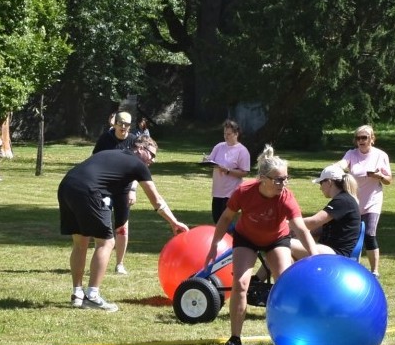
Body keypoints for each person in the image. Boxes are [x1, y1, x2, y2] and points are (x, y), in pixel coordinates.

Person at [205, 145, 318, 345]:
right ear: (262, 179)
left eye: (286, 178)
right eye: (278, 179)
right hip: (246, 238)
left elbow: (300, 229)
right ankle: (235, 339)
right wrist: (214, 245)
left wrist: (316, 256)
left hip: (277, 239)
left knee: (284, 282)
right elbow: (226, 218)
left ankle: (287, 334)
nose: (283, 184)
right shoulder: (244, 191)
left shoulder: (286, 197)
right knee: (240, 284)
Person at [59, 136, 188, 312]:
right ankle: (92, 296)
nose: (153, 160)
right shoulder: (137, 165)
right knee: (106, 242)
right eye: (151, 154)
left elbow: (118, 191)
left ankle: (77, 294)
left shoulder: (113, 154)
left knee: (80, 243)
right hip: (89, 190)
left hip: (67, 186)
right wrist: (174, 222)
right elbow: (156, 200)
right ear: (140, 149)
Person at [339, 125, 392, 277]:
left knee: (369, 233)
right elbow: (342, 164)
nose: (361, 141)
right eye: (358, 138)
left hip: (373, 200)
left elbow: (388, 180)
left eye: (364, 138)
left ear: (372, 139)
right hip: (354, 200)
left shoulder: (380, 155)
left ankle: (374, 271)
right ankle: (352, 265)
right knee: (352, 234)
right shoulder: (351, 154)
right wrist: (335, 168)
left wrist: (379, 176)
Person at [92, 111, 138, 275]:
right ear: (115, 123)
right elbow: (95, 162)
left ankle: (119, 264)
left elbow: (136, 169)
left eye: (127, 124)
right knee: (103, 224)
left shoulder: (133, 141)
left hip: (124, 190)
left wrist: (132, 190)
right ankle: (100, 257)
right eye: (121, 124)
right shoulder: (105, 139)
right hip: (105, 189)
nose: (124, 127)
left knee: (122, 227)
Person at [291, 165, 362, 259]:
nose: (320, 188)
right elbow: (321, 228)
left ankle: (266, 274)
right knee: (282, 248)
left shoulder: (342, 201)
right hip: (331, 250)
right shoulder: (343, 199)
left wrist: (285, 224)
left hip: (335, 254)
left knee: (284, 243)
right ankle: (271, 274)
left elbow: (313, 222)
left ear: (329, 182)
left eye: (321, 183)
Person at [203, 119, 251, 223]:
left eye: (229, 134)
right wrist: (206, 160)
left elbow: (245, 172)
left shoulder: (242, 151)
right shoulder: (219, 146)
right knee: (217, 220)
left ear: (236, 134)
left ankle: (230, 238)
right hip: (217, 191)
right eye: (224, 133)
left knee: (225, 222)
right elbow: (211, 161)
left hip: (231, 192)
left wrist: (228, 171)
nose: (226, 136)